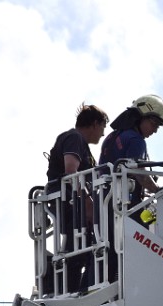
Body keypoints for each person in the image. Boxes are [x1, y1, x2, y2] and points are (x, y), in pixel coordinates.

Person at [46, 103, 109, 292]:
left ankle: (74, 290)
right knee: (78, 253)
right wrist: (88, 204)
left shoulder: (79, 143)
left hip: (75, 205)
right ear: (95, 124)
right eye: (102, 128)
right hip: (72, 206)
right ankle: (72, 292)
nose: (103, 134)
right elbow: (71, 171)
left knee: (82, 252)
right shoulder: (74, 138)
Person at [99, 94, 163, 200]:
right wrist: (157, 190)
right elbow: (139, 172)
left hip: (104, 198)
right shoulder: (136, 140)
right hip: (124, 204)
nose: (155, 130)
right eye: (154, 123)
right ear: (141, 117)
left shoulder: (112, 136)